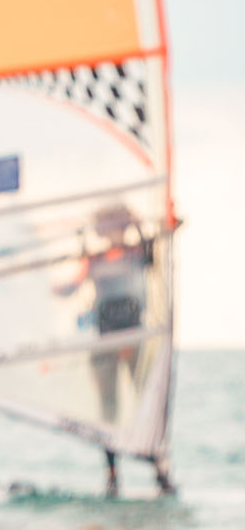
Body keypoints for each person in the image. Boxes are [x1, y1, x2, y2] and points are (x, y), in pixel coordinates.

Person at [57, 204, 172, 496]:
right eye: (107, 227)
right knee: (108, 410)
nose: (111, 232)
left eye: (116, 225)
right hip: (105, 341)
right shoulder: (93, 259)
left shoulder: (138, 252)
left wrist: (139, 223)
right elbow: (72, 287)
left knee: (147, 402)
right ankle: (112, 475)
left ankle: (160, 470)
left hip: (135, 340)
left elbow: (156, 245)